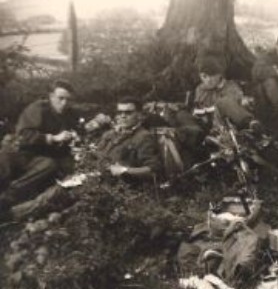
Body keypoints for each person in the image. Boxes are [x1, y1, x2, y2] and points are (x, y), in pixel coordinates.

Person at [0, 80, 79, 213]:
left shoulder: (68, 113)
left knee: (49, 165)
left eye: (68, 99)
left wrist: (73, 137)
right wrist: (53, 138)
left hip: (39, 156)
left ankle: (7, 199)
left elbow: (74, 129)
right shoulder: (38, 109)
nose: (64, 103)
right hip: (19, 151)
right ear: (51, 96)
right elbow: (24, 135)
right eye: (60, 98)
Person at [95, 97, 161, 180]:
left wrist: (124, 170)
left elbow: (152, 170)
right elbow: (98, 154)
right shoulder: (109, 134)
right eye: (119, 112)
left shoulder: (143, 137)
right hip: (101, 181)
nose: (123, 116)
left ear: (139, 115)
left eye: (128, 113)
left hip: (126, 186)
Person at [194, 57, 258, 133]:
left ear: (219, 75)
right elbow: (198, 110)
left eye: (212, 75)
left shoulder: (230, 86)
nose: (208, 80)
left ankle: (251, 124)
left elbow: (237, 101)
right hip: (210, 125)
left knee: (223, 102)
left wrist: (243, 101)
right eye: (204, 76)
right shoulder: (200, 89)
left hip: (230, 124)